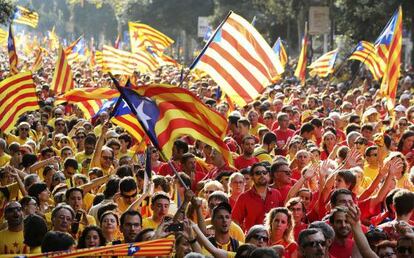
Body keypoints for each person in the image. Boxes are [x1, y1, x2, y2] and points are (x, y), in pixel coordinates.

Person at [233, 162, 283, 232]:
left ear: (268, 175)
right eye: (258, 173)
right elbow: (235, 221)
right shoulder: (244, 197)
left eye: (264, 172)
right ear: (252, 177)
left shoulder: (276, 194)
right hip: (253, 239)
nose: (262, 175)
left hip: (274, 238)